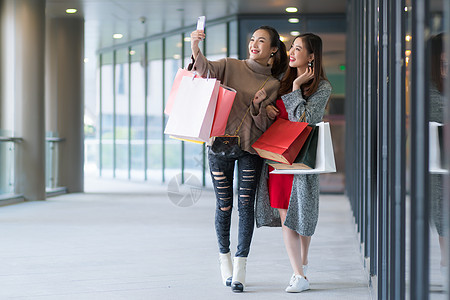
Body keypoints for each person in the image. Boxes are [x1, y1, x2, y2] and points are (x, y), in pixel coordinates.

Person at [189, 25, 288, 292]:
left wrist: (258, 106)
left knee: (246, 207)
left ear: (273, 50)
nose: (254, 44)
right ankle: (225, 260)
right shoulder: (231, 66)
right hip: (219, 143)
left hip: (250, 149)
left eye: (261, 41)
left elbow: (261, 124)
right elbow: (204, 70)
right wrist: (195, 47)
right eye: (252, 39)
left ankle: (241, 265)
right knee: (224, 205)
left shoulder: (273, 83)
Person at [255, 33, 332, 293]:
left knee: (303, 215)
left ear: (311, 56)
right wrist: (266, 109)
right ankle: (298, 274)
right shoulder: (281, 81)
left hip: (302, 161)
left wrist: (298, 86)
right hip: (279, 159)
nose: (291, 52)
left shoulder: (322, 87)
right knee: (286, 216)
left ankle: (304, 262)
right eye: (291, 47)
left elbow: (305, 120)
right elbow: (271, 114)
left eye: (298, 49)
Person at [429, 33, 447, 277]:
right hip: (439, 155)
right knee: (441, 207)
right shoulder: (430, 84)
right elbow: (436, 114)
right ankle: (446, 261)